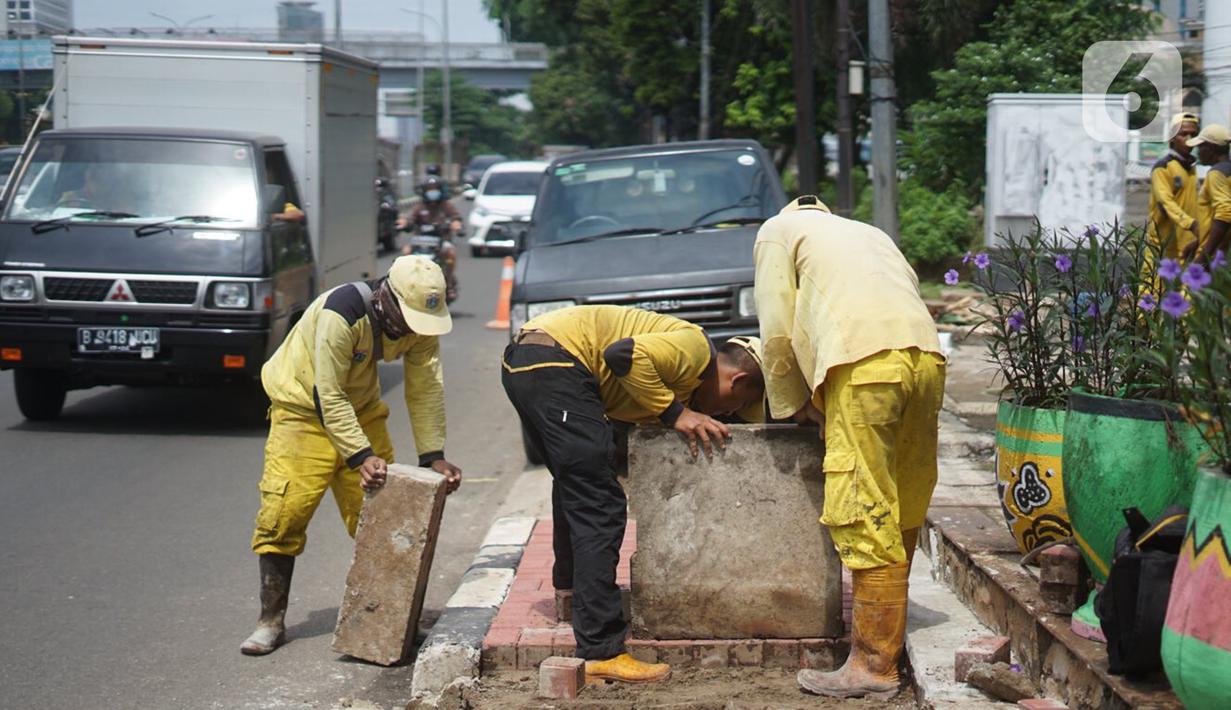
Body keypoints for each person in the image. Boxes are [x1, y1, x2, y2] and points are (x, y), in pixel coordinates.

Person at [500, 305, 765, 684]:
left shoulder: (683, 376)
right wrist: (675, 414)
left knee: (579, 480)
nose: (725, 415)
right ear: (736, 381)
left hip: (528, 361)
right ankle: (601, 650)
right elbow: (621, 355)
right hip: (557, 362)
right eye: (735, 406)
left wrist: (672, 410)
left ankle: (573, 591)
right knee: (601, 505)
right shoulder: (695, 350)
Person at [754, 195, 945, 699]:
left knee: (862, 501)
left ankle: (873, 665)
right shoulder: (867, 232)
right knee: (902, 492)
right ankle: (890, 644)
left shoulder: (777, 230)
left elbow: (775, 330)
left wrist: (794, 404)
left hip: (863, 362)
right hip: (926, 357)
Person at [241, 256, 463, 656]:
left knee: (384, 517)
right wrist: (361, 457)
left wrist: (433, 455)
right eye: (408, 319)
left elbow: (426, 386)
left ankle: (392, 621)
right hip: (301, 413)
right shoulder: (340, 314)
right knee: (284, 513)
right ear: (387, 300)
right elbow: (327, 395)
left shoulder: (422, 323)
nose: (415, 330)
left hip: (361, 412)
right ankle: (270, 620)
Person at [1146, 113, 1200, 274]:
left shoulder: (1191, 167)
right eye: (1184, 134)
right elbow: (1165, 202)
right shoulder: (1163, 168)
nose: (1189, 138)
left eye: (1193, 134)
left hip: (1188, 244)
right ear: (1172, 137)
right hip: (1164, 247)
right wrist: (1191, 224)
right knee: (1152, 295)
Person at [1185, 124, 1231, 263]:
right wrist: (1198, 241)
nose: (1197, 152)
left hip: (1214, 257)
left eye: (1200, 147)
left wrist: (1204, 256)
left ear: (1211, 149)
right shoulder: (1227, 171)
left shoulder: (1216, 174)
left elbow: (1225, 212)